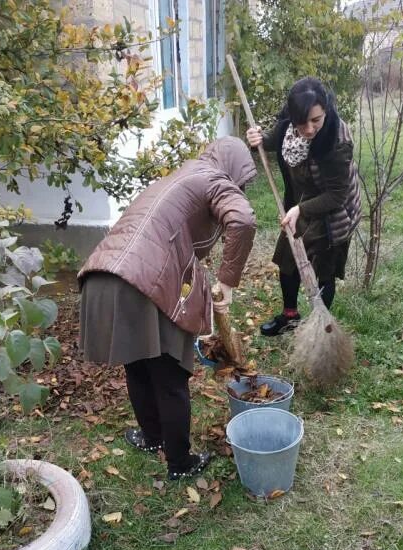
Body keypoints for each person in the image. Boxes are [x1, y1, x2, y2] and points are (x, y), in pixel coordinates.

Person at [77, 137, 257, 480]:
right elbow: (243, 220)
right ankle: (180, 462)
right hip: (142, 278)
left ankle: (152, 437)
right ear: (232, 167)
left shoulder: (181, 174)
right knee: (170, 374)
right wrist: (228, 284)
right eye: (243, 182)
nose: (241, 188)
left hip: (104, 273)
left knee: (139, 364)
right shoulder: (214, 178)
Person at [246, 77, 361, 336]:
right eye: (302, 122)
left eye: (316, 120)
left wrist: (301, 209)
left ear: (326, 110)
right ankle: (290, 316)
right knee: (288, 258)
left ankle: (319, 327)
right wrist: (258, 139)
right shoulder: (290, 123)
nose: (309, 129)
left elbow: (336, 195)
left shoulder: (337, 142)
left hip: (333, 212)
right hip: (299, 207)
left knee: (324, 268)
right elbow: (271, 141)